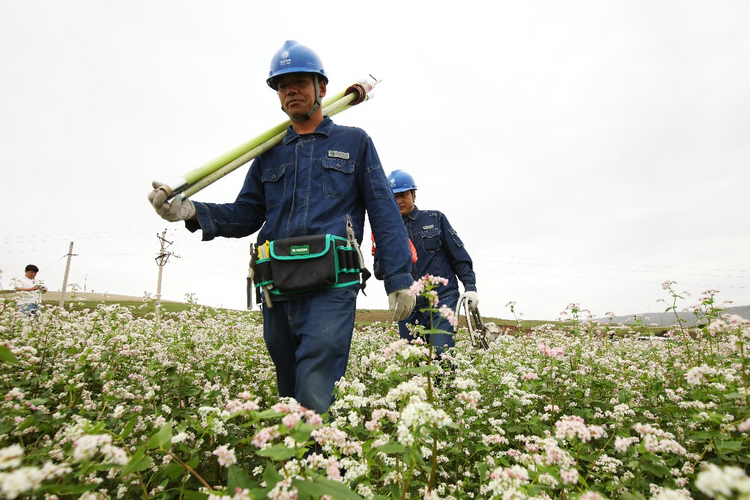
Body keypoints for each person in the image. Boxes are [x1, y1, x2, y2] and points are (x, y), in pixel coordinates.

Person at [148, 41, 415, 416]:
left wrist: (399, 276)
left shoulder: (354, 142)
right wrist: (191, 212)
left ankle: (317, 465)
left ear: (322, 87)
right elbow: (247, 213)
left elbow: (384, 210)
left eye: (300, 82)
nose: (291, 91)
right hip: (276, 284)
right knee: (288, 387)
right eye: (282, 85)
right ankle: (294, 462)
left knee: (316, 384)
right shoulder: (268, 151)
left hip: (331, 284)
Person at [374, 169, 479, 357]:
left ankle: (447, 387)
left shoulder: (435, 219)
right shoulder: (384, 231)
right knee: (414, 362)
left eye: (403, 195)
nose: (398, 201)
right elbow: (379, 273)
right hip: (408, 304)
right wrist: (381, 247)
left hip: (442, 299)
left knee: (441, 356)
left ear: (413, 194)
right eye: (393, 196)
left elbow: (459, 256)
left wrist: (470, 287)